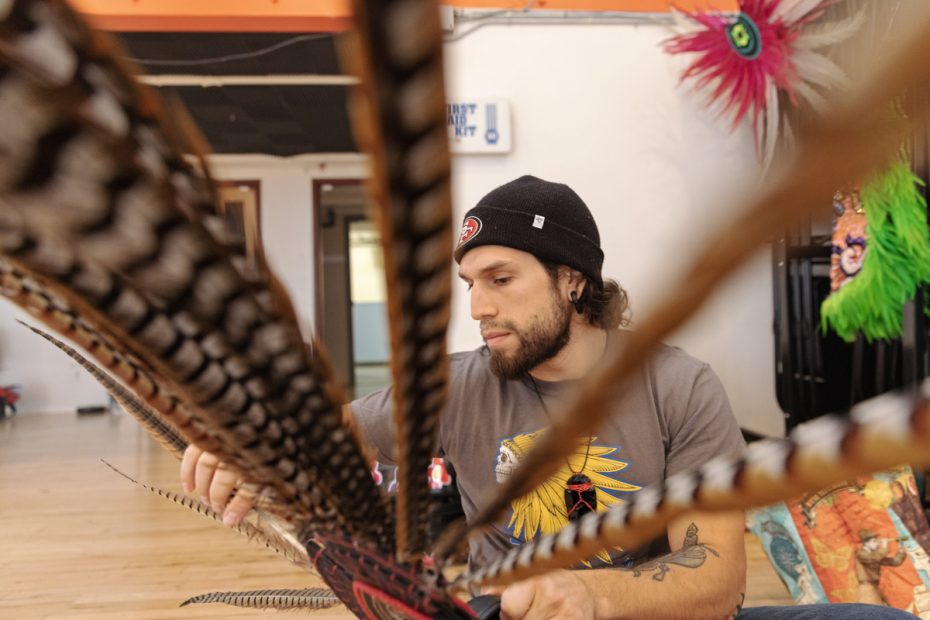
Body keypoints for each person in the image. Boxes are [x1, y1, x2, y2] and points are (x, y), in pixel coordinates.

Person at [182, 175, 913, 619]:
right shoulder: (454, 387)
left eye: (500, 280)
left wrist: (593, 598)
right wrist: (246, 449)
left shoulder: (678, 385)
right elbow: (327, 435)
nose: (476, 308)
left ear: (572, 280)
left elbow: (716, 581)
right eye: (470, 284)